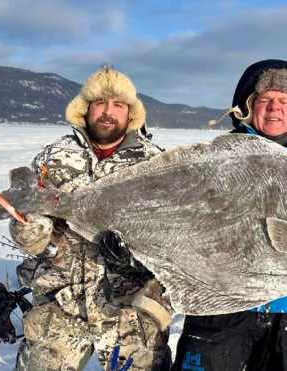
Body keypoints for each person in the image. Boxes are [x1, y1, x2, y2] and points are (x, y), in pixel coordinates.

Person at [172, 59, 287, 371]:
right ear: (248, 107)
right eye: (265, 100)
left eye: (284, 100)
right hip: (221, 305)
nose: (274, 108)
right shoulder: (215, 157)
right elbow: (179, 221)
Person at [9, 65, 172, 371]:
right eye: (100, 103)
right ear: (86, 109)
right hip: (59, 307)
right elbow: (29, 229)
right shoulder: (52, 156)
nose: (108, 112)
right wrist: (31, 231)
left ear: (130, 113)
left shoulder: (156, 163)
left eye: (118, 105)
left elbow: (172, 241)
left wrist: (131, 257)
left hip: (131, 311)